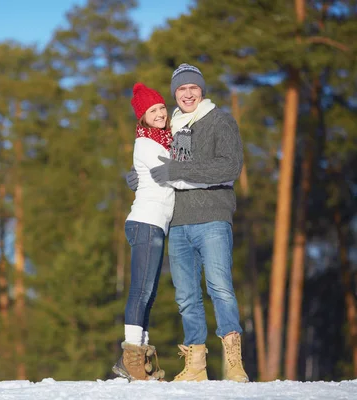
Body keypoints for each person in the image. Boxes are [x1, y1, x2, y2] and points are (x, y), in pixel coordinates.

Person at [126, 64, 249, 382]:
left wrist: (174, 172)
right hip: (178, 222)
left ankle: (233, 363)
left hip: (212, 218)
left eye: (193, 87)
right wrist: (143, 178)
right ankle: (195, 364)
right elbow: (168, 169)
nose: (188, 93)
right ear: (174, 95)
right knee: (186, 295)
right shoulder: (174, 130)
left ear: (202, 90)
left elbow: (228, 167)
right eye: (181, 89)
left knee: (220, 288)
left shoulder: (220, 121)